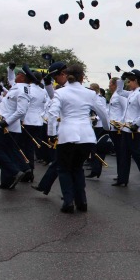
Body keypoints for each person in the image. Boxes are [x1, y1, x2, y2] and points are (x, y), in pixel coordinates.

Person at [47, 64, 109, 213]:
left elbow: (52, 114)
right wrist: (107, 128)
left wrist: (51, 133)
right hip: (86, 136)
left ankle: (68, 201)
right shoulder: (90, 93)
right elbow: (103, 114)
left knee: (64, 169)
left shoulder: (60, 93)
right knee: (77, 168)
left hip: (67, 135)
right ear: (82, 77)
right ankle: (82, 201)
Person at [0, 66, 36, 189]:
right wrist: (10, 69)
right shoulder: (18, 87)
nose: (16, 76)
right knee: (8, 152)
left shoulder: (22, 90)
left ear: (22, 77)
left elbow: (21, 111)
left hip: (6, 125)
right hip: (8, 124)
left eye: (18, 74)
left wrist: (6, 122)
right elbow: (11, 80)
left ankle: (15, 172)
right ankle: (7, 181)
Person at [32, 61, 68, 195]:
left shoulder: (70, 90)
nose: (56, 80)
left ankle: (71, 196)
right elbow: (54, 96)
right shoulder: (64, 89)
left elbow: (54, 108)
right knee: (59, 162)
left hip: (71, 133)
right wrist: (47, 84)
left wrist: (52, 134)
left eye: (55, 77)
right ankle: (45, 186)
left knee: (69, 167)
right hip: (66, 132)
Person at [114, 69, 140, 187]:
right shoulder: (132, 93)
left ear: (136, 81)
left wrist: (137, 124)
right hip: (126, 129)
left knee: (137, 154)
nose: (128, 83)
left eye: (130, 81)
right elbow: (119, 91)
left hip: (133, 130)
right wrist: (121, 79)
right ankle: (122, 179)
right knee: (124, 154)